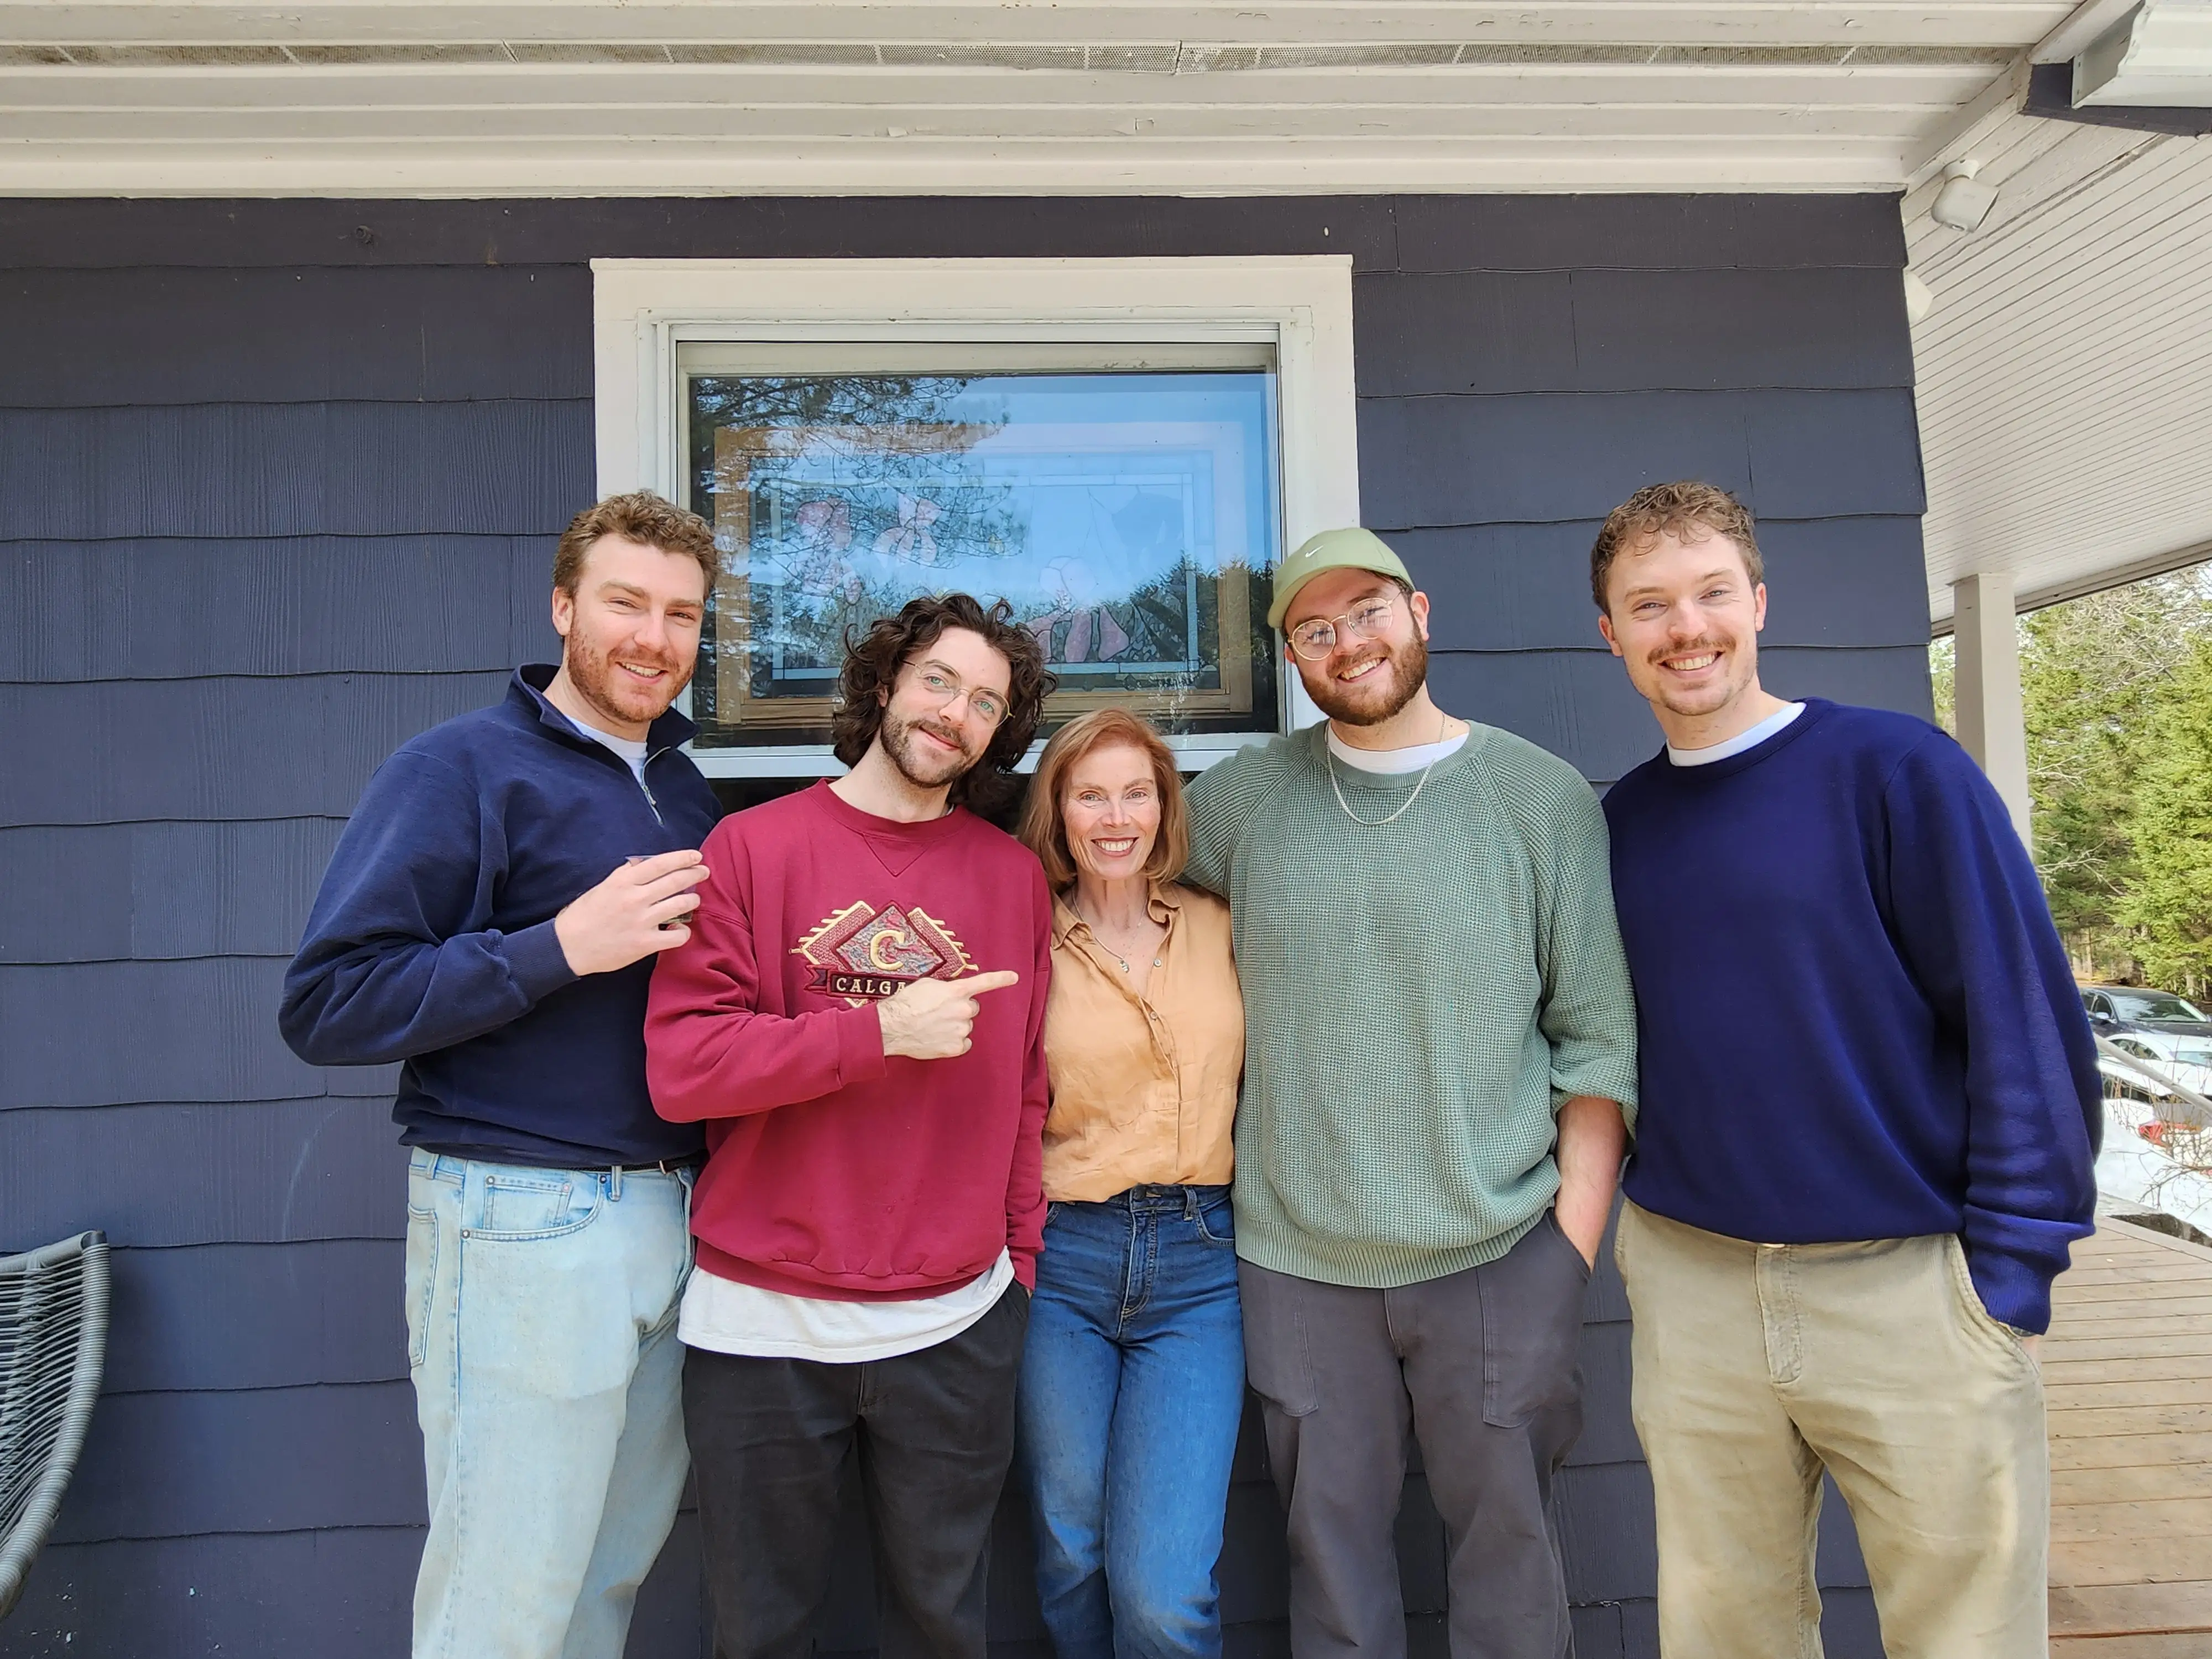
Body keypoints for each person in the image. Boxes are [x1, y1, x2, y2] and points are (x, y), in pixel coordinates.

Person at [1590, 479, 2100, 1659]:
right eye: (1649, 605)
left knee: (1963, 1637)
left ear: (1757, 602)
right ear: (1610, 634)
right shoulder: (1618, 828)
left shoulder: (1895, 773)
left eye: (1711, 594)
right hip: (1693, 1289)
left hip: (1907, 1288)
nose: (1686, 629)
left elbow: (2021, 1026)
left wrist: (2010, 1277)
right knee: (1726, 1636)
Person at [278, 492, 723, 1659]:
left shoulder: (680, 789)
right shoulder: (458, 768)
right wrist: (558, 947)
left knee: (601, 1588)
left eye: (682, 614)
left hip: (676, 1216)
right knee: (504, 1604)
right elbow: (328, 1003)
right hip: (524, 1219)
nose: (653, 636)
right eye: (625, 602)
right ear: (564, 607)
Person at [1182, 527, 1639, 1659]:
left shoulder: (1538, 798)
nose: (1348, 643)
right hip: (1298, 1265)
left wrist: (1564, 1253)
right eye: (1315, 629)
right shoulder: (1237, 805)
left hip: (1495, 1254)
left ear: (1420, 612)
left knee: (1509, 1568)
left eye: (1368, 613)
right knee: (1329, 1574)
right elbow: (1099, 877)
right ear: (1291, 656)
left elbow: (1594, 1040)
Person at [643, 594, 1056, 1659]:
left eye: (984, 702)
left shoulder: (1010, 876)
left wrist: (1018, 1267)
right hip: (762, 1327)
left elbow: (1022, 1091)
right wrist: (877, 1034)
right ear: (885, 684)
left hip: (956, 1323)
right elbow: (685, 1072)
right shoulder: (749, 849)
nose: (954, 713)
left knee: (941, 1629)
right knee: (764, 1631)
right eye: (937, 680)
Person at [1013, 709, 1246, 1659]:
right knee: (1070, 1550)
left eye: (1137, 793)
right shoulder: (1024, 933)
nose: (1116, 817)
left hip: (1200, 1263)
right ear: (1059, 810)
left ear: (1165, 805)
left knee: (1163, 1594)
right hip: (1063, 1256)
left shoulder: (1219, 925)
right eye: (1091, 794)